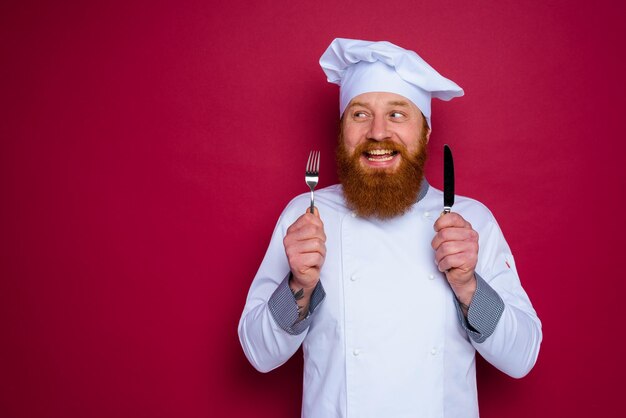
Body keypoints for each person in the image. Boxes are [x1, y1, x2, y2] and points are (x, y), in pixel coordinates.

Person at [238, 38, 542, 418]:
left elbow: (522, 357)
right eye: (360, 114)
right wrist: (299, 284)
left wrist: (469, 286)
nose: (378, 132)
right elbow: (258, 354)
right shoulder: (306, 216)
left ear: (426, 132)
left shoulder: (472, 222)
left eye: (397, 114)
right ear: (342, 130)